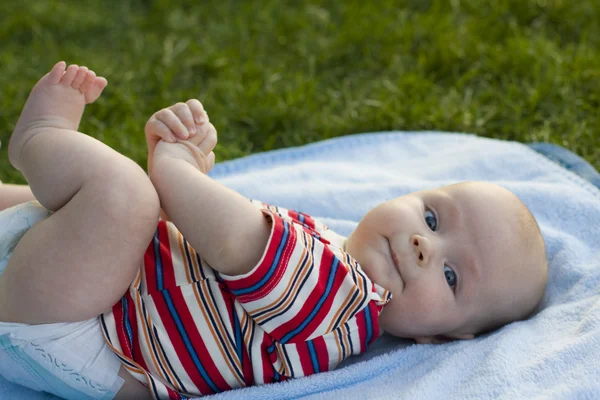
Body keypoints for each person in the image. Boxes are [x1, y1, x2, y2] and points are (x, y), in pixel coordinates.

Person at [0, 62, 548, 400]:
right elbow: (194, 259)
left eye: (452, 276)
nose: (424, 246)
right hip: (88, 292)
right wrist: (174, 201)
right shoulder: (331, 247)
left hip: (84, 330)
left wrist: (174, 172)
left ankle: (38, 138)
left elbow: (234, 239)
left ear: (443, 336)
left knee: (125, 198)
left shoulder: (344, 299)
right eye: (431, 218)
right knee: (112, 215)